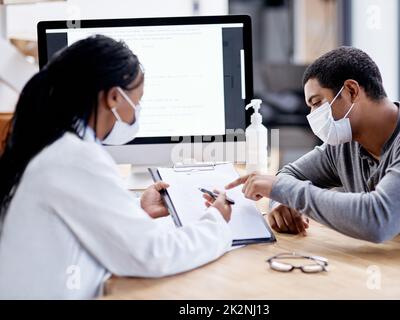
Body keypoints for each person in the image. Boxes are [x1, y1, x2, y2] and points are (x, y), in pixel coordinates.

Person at [0, 35, 233, 299]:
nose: (137, 111)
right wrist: (216, 221)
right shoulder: (74, 158)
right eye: (138, 100)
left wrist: (137, 210)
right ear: (113, 97)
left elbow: (81, 219)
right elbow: (153, 255)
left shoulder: (51, 144)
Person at [226, 46, 400, 251]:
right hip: (399, 270)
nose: (313, 116)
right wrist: (282, 203)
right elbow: (290, 174)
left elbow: (377, 219)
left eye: (316, 103)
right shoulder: (346, 145)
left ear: (351, 91)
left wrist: (286, 191)